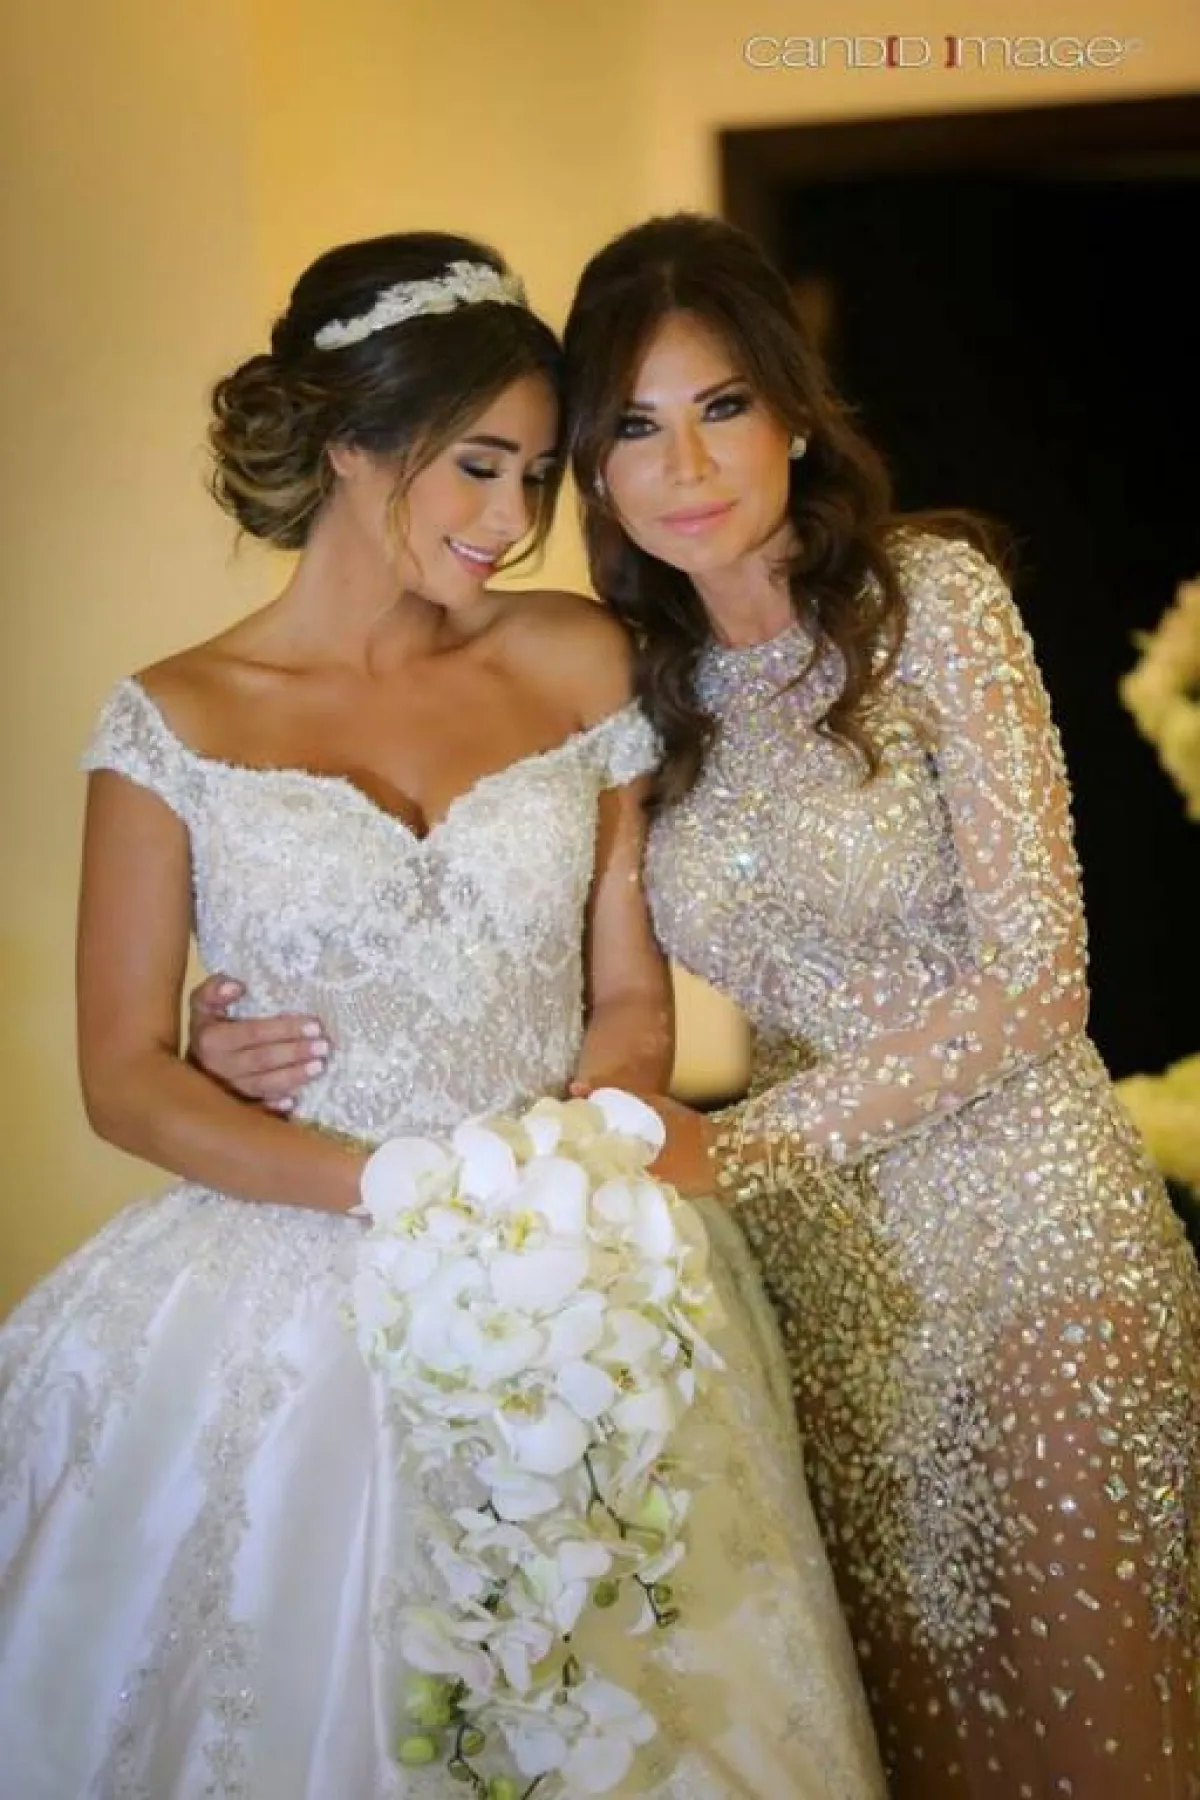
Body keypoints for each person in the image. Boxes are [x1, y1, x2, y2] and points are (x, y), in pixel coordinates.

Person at [193, 213, 1200, 1798]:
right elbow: (478, 925)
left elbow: (1039, 980)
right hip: (818, 1282)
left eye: (722, 406)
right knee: (924, 1748)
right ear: (594, 473)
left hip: (1032, 1233)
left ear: (793, 410)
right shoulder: (634, 681)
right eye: (634, 430)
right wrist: (243, 1018)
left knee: (1108, 1734)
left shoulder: (932, 601)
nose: (687, 466)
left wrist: (740, 1145)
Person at [0, 230, 887, 1800]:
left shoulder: (579, 655)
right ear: (350, 443)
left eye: (538, 477)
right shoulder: (175, 719)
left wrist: (566, 1167)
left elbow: (630, 991)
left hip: (573, 1254)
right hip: (285, 1276)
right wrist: (396, 1192)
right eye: (476, 468)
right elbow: (125, 1076)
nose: (510, 522)